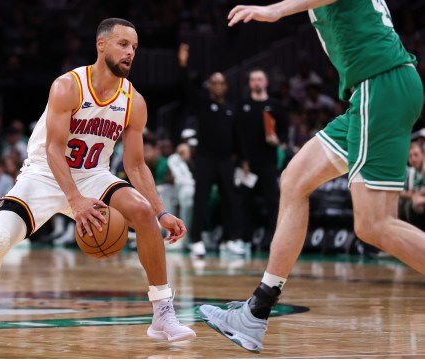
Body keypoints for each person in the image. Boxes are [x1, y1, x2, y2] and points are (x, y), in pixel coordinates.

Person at [0, 18, 195, 349]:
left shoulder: (134, 101)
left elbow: (135, 164)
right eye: (123, 44)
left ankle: (163, 314)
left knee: (142, 213)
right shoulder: (68, 86)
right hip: (44, 173)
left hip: (93, 175)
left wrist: (161, 213)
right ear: (101, 45)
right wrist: (75, 200)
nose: (131, 52)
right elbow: (54, 148)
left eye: (134, 47)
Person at [199, 0, 424, 353]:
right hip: (372, 92)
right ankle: (256, 311)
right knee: (294, 180)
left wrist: (276, 11)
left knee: (374, 224)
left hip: (380, 85)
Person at [178, 43, 245, 257]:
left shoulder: (231, 109)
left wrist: (243, 160)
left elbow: (238, 137)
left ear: (225, 87)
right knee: (201, 199)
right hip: (205, 159)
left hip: (226, 160)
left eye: (220, 83)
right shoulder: (202, 104)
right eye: (214, 83)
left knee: (230, 200)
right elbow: (187, 87)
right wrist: (183, 66)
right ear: (209, 87)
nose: (217, 86)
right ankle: (196, 240)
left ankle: (230, 239)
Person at [238, 68, 287, 246]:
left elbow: (284, 130)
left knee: (272, 201)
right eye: (253, 80)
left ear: (265, 82)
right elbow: (238, 135)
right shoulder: (242, 106)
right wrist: (242, 160)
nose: (257, 82)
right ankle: (246, 239)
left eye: (260, 79)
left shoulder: (276, 105)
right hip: (248, 165)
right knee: (245, 201)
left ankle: (272, 239)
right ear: (250, 83)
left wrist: (279, 141)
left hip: (269, 162)